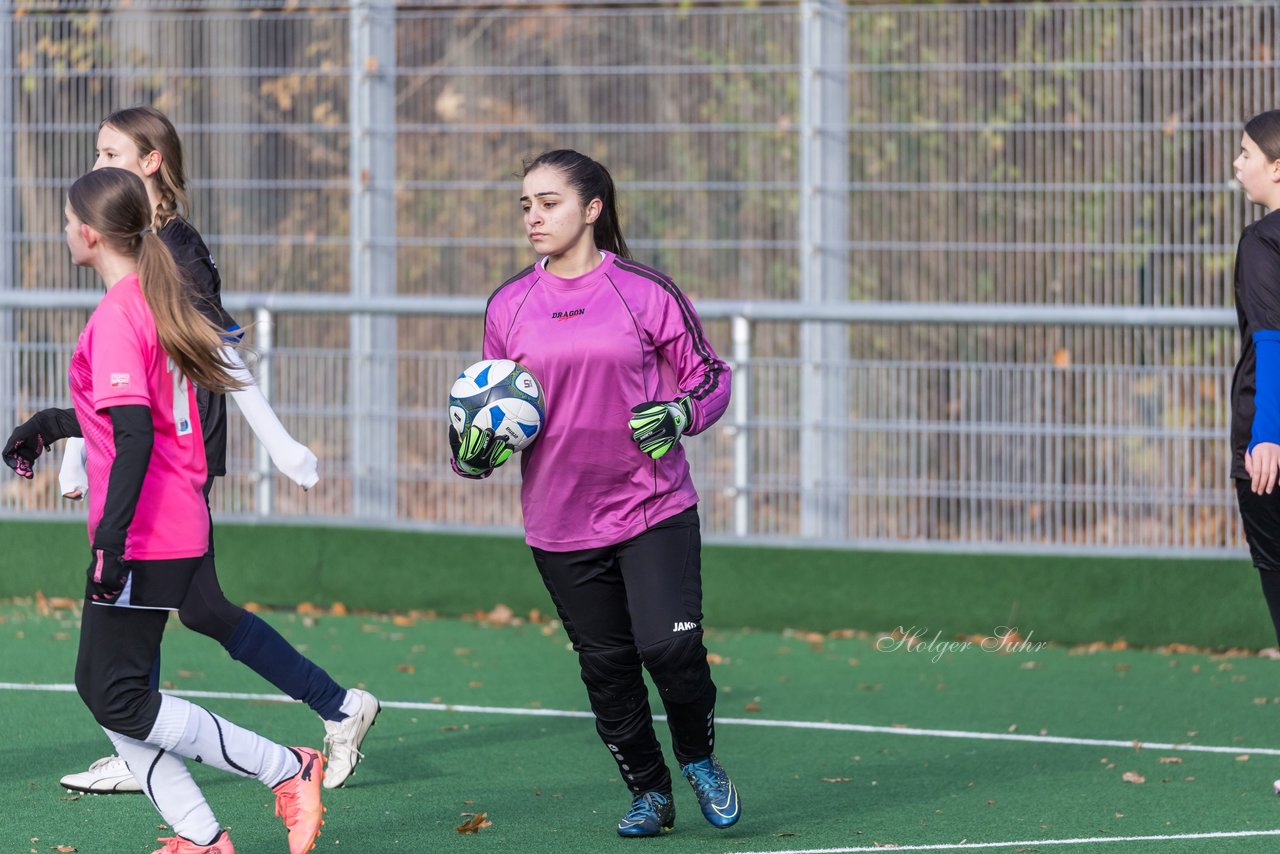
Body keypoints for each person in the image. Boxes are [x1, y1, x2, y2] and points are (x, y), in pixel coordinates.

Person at [9, 106, 378, 795]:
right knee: (200, 607)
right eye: (96, 152)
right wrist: (73, 443)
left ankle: (156, 737)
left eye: (112, 153)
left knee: (145, 589)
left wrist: (281, 443)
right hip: (156, 449)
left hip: (174, 456)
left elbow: (211, 353)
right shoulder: (143, 244)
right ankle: (336, 706)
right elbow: (120, 386)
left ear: (151, 162)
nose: (99, 165)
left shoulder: (174, 248)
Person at [450, 149, 739, 837]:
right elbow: (492, 411)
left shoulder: (644, 291)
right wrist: (472, 454)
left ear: (592, 209)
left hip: (652, 507)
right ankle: (649, 793)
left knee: (668, 650)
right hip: (560, 523)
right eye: (525, 204)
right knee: (607, 671)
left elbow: (711, 378)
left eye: (548, 202)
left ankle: (699, 758)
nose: (533, 216)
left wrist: (680, 415)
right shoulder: (509, 304)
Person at [1229, 110, 1280, 797]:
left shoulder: (1263, 241)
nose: (1236, 164)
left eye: (1244, 153)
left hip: (1269, 444)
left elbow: (1272, 339)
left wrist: (1268, 430)